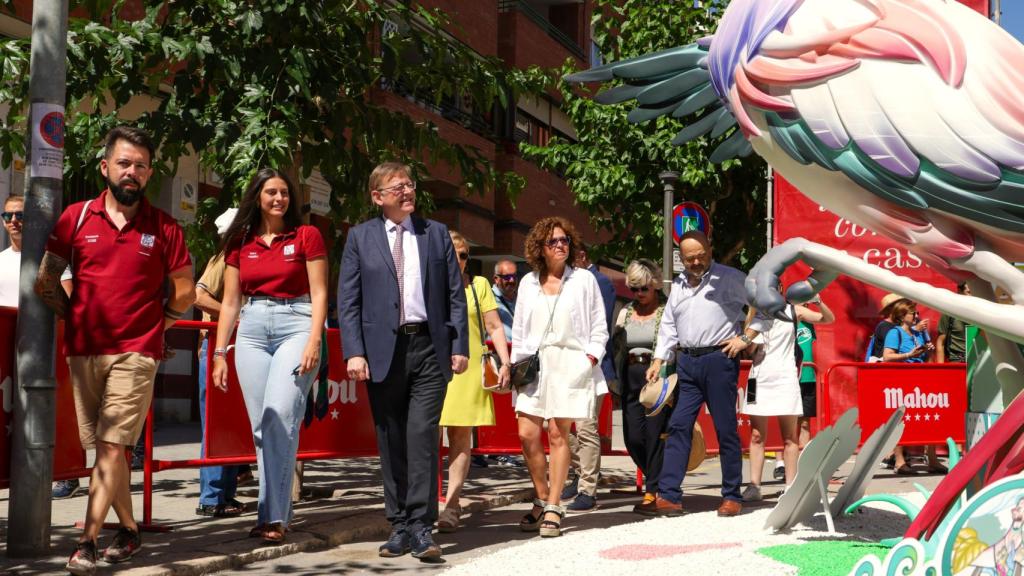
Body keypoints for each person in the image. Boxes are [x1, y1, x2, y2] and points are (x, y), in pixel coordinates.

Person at [35, 126, 195, 575]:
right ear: (105, 167)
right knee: (109, 451)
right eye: (124, 163)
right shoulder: (76, 218)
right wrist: (75, 316)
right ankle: (129, 529)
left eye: (141, 166)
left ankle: (85, 541)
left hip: (137, 351)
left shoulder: (164, 227)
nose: (133, 172)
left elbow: (183, 292)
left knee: (109, 447)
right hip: (84, 348)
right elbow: (47, 281)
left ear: (148, 174)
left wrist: (156, 327)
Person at [338, 161, 468, 560]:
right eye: (398, 187)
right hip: (382, 352)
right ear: (378, 196)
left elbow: (454, 294)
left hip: (428, 348)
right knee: (391, 438)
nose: (408, 192)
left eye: (410, 185)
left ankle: (422, 527)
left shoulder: (436, 234)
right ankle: (398, 525)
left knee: (422, 438)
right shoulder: (360, 238)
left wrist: (459, 344)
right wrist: (354, 351)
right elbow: (349, 300)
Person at [211, 169, 328, 544]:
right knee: (262, 428)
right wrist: (219, 352)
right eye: (271, 192)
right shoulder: (239, 242)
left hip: (297, 322)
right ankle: (270, 513)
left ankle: (275, 516)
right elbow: (230, 302)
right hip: (252, 327)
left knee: (280, 418)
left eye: (284, 192)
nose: (279, 198)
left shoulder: (307, 235)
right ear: (257, 197)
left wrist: (314, 340)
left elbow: (321, 293)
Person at [640, 230, 750, 518]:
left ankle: (731, 495)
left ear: (710, 250)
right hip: (686, 362)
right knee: (678, 425)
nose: (697, 261)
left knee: (726, 428)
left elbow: (765, 305)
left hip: (719, 360)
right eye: (691, 258)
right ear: (682, 258)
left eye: (701, 255)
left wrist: (746, 339)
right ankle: (669, 495)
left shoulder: (731, 278)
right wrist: (658, 358)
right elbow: (668, 325)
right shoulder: (677, 285)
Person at [511, 216, 608, 538]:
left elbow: (599, 327)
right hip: (535, 364)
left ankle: (553, 505)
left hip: (571, 362)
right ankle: (541, 496)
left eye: (565, 240)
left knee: (558, 434)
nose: (561, 245)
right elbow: (521, 330)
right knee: (527, 433)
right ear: (540, 247)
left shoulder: (583, 280)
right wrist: (515, 368)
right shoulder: (527, 282)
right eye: (553, 241)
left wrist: (589, 359)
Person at [436, 231, 511, 533]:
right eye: (452, 253)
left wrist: (505, 362)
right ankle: (426, 503)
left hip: (467, 370)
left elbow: (494, 325)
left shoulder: (478, 286)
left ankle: (452, 505)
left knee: (460, 437)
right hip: (434, 366)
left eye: (464, 254)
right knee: (426, 438)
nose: (458, 260)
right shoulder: (430, 286)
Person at [741, 291, 834, 501]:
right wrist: (753, 313)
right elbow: (749, 351)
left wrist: (818, 301)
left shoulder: (793, 311)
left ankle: (790, 486)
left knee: (790, 437)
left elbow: (828, 319)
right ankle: (754, 486)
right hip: (758, 378)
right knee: (756, 435)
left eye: (772, 286)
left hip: (786, 378)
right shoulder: (755, 315)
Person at [193, 207, 247, 518]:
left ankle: (225, 495)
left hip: (237, 351)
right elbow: (197, 296)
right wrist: (236, 317)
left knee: (231, 428)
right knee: (215, 427)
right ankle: (211, 498)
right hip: (216, 350)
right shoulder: (225, 257)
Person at [612, 259, 671, 512]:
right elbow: (616, 347)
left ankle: (653, 490)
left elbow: (673, 344)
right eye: (634, 289)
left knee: (654, 436)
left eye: (644, 288)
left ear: (655, 285)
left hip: (658, 378)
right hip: (631, 377)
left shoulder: (665, 311)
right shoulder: (625, 312)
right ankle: (661, 479)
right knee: (633, 437)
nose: (639, 294)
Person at [560, 246, 614, 512]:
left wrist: (590, 358)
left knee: (585, 429)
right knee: (559, 429)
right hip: (557, 369)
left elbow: (600, 324)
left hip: (585, 369)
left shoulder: (592, 280)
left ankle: (587, 490)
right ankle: (580, 474)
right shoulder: (545, 281)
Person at [881, 298, 946, 475]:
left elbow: (924, 354)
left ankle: (932, 459)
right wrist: (909, 354)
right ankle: (899, 461)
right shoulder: (895, 333)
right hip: (902, 380)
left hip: (921, 378)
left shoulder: (917, 333)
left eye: (917, 313)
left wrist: (928, 350)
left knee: (931, 417)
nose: (917, 316)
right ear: (902, 316)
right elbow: (887, 356)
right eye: (913, 313)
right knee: (901, 421)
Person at [772, 295, 834, 480]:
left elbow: (829, 319)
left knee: (805, 422)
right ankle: (780, 463)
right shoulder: (781, 318)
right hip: (786, 375)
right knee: (783, 421)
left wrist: (819, 302)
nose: (805, 305)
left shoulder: (807, 322)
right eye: (802, 301)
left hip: (806, 375)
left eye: (807, 301)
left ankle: (802, 463)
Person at [937, 283, 970, 363]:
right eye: (969, 292)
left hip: (979, 360)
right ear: (959, 291)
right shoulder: (950, 313)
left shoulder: (983, 313)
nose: (973, 295)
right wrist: (940, 370)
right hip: (958, 361)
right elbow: (940, 342)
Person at [0, 194, 23, 307]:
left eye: (20, 215)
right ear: (3, 221)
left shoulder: (48, 260)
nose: (13, 220)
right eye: (8, 216)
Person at [492, 259, 518, 341]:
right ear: (496, 279)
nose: (512, 280)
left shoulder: (522, 299)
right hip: (495, 352)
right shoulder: (488, 298)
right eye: (507, 277)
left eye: (514, 276)